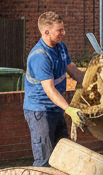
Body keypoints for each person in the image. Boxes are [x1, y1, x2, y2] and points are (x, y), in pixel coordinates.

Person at [23, 12, 85, 167]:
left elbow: (75, 72)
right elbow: (50, 90)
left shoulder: (61, 47)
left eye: (63, 29)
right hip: (40, 111)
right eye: (59, 30)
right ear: (46, 32)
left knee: (63, 154)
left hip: (56, 108)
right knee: (45, 159)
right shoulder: (40, 56)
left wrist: (94, 79)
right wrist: (69, 109)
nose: (63, 33)